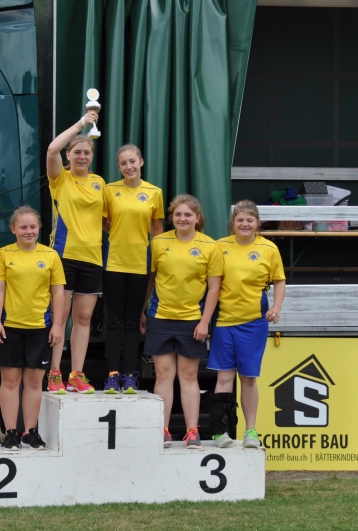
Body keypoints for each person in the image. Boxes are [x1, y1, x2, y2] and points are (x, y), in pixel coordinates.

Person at [142, 194, 222, 448]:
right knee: (163, 375)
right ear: (172, 217)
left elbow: (214, 288)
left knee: (188, 375)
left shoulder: (210, 246)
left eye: (188, 214)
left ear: (198, 218)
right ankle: (163, 431)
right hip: (160, 318)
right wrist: (142, 311)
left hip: (192, 320)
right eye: (178, 214)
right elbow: (150, 280)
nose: (183, 218)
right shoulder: (159, 242)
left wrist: (204, 322)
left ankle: (192, 432)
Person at [208, 200, 286, 449]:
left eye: (249, 220)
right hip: (224, 322)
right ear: (233, 222)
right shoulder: (220, 246)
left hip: (253, 324)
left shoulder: (269, 248)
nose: (244, 224)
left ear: (257, 223)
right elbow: (213, 285)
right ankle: (220, 432)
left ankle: (250, 431)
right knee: (224, 378)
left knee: (249, 378)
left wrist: (276, 307)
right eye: (240, 220)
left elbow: (279, 281)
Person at [0, 206, 65, 450]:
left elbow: (58, 292)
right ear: (13, 229)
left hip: (40, 327)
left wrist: (57, 325)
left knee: (34, 382)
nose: (28, 231)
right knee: (10, 381)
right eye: (23, 227)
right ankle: (10, 433)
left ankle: (30, 432)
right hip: (10, 327)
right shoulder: (3, 255)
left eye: (33, 226)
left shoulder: (50, 255)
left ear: (39, 228)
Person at [45, 111, 105, 394]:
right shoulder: (60, 178)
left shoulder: (99, 183)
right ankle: (54, 373)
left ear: (91, 157)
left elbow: (106, 221)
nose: (82, 157)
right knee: (60, 317)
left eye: (86, 153)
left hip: (92, 258)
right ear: (68, 155)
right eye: (77, 152)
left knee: (83, 319)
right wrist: (81, 123)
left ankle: (76, 375)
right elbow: (51, 149)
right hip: (63, 256)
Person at [102, 144, 164, 394]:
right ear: (118, 166)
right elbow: (102, 221)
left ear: (141, 162)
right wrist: (117, 232)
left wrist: (159, 260)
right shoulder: (109, 190)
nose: (128, 167)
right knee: (114, 322)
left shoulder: (154, 193)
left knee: (132, 323)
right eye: (123, 163)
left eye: (132, 161)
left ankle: (129, 376)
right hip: (114, 263)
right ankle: (112, 375)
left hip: (140, 264)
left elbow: (157, 231)